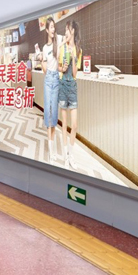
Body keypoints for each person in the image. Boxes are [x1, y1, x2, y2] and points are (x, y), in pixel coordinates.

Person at [34, 17, 61, 162]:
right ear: (46, 30)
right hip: (48, 79)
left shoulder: (58, 41)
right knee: (48, 114)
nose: (53, 29)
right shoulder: (44, 48)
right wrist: (41, 59)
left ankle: (53, 147)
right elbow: (45, 70)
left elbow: (68, 39)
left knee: (54, 113)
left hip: (56, 79)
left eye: (54, 27)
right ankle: (51, 150)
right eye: (51, 27)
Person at [58, 20, 82, 169]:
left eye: (67, 29)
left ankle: (71, 155)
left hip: (72, 87)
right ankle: (66, 156)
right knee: (64, 124)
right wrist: (62, 67)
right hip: (63, 86)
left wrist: (73, 58)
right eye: (66, 29)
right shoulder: (62, 48)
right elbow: (58, 67)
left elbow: (74, 74)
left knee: (74, 125)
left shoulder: (78, 50)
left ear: (73, 31)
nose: (66, 32)